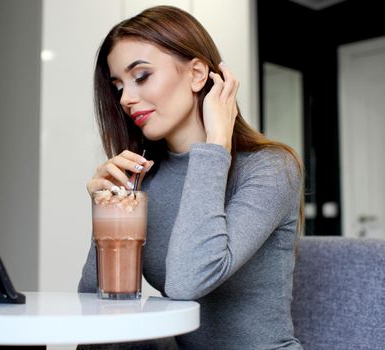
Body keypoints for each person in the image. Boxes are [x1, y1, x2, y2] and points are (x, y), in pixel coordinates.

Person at [78, 5, 304, 350]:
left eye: (141, 76)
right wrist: (107, 209)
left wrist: (216, 147)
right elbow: (97, 312)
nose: (126, 98)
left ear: (198, 74)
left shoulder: (272, 168)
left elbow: (188, 281)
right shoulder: (142, 178)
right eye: (118, 86)